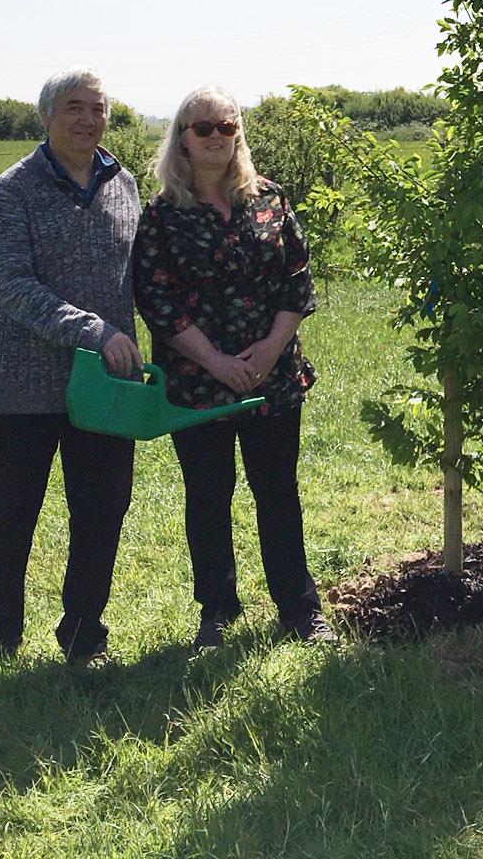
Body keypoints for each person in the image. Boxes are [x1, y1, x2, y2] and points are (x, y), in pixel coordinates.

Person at [132, 85, 334, 647]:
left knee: (278, 493)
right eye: (204, 128)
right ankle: (217, 612)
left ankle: (299, 609)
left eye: (227, 126)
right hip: (198, 382)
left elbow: (298, 279)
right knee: (208, 497)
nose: (217, 136)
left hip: (274, 378)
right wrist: (216, 361)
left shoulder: (270, 199)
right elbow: (157, 299)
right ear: (183, 140)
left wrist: (270, 350)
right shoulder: (164, 215)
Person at [0, 68, 143, 663]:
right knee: (7, 524)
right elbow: (13, 287)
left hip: (105, 394)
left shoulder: (125, 185)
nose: (87, 119)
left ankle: (84, 638)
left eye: (97, 108)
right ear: (46, 116)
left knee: (101, 519)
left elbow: (135, 281)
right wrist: (93, 331)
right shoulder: (13, 188)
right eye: (73, 107)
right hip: (22, 392)